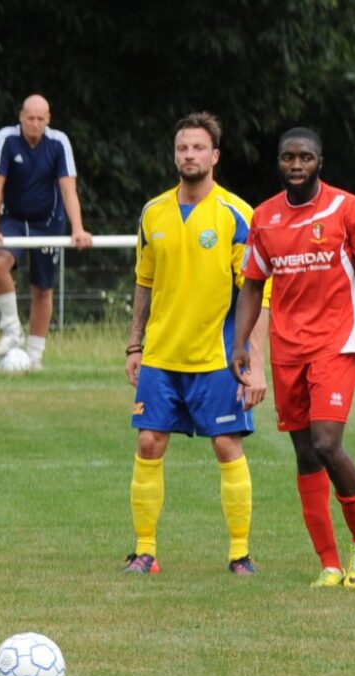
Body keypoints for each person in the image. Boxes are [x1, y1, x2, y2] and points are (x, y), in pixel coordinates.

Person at [231, 127, 355, 589]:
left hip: (338, 341)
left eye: (305, 157)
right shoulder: (264, 218)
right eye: (288, 157)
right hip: (288, 347)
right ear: (279, 163)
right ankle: (327, 564)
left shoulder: (351, 210)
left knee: (326, 442)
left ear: (320, 162)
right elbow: (251, 284)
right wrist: (240, 344)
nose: (296, 165)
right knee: (305, 454)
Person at [122, 113, 263, 576]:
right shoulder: (153, 212)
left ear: (215, 156)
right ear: (175, 155)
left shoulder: (237, 215)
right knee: (149, 441)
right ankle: (145, 551)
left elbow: (256, 291)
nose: (189, 155)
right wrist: (134, 346)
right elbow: (144, 282)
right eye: (183, 148)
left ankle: (239, 554)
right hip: (162, 355)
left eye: (198, 148)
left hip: (217, 355)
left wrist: (254, 361)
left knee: (226, 445)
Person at [0, 94, 94, 368]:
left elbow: (69, 188)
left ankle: (35, 358)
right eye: (30, 118)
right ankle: (11, 330)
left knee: (43, 290)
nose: (34, 124)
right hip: (14, 220)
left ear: (48, 120)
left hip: (49, 222)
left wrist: (78, 229)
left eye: (40, 119)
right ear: (20, 117)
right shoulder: (6, 139)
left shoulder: (59, 142)